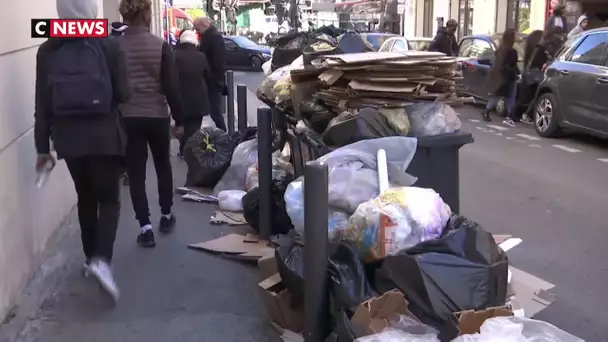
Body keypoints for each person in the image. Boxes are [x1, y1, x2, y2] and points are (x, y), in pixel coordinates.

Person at [35, 0, 131, 302]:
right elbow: (125, 93)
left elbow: (43, 104)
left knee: (85, 198)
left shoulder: (48, 49)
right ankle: (102, 259)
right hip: (104, 135)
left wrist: (42, 148)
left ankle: (92, 258)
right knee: (110, 200)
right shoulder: (110, 45)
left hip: (67, 140)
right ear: (92, 11)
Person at [117, 0, 185, 248]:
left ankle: (145, 228)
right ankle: (166, 215)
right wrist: (179, 120)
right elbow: (172, 87)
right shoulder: (161, 46)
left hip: (129, 117)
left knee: (135, 172)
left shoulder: (116, 46)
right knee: (162, 165)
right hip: (157, 115)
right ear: (146, 14)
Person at [174, 30, 212, 156]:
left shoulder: (174, 55)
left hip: (180, 96)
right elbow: (208, 75)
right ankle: (190, 149)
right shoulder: (200, 56)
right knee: (195, 125)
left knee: (182, 124)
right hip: (198, 97)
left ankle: (183, 148)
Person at [193, 17, 227, 131]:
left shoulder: (213, 37)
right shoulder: (209, 36)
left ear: (204, 25)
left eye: (197, 28)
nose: (196, 31)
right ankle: (223, 134)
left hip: (213, 80)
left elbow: (218, 61)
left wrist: (212, 77)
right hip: (212, 79)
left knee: (215, 110)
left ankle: (224, 135)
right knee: (213, 110)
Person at [481, 28, 520, 127]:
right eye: (514, 35)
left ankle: (487, 111)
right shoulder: (511, 51)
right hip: (509, 76)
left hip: (501, 76)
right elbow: (512, 65)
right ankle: (509, 115)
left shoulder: (500, 49)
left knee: (498, 95)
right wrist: (517, 72)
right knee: (510, 96)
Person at [519, 30, 550, 123]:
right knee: (535, 96)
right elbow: (539, 63)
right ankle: (527, 115)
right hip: (535, 76)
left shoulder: (532, 48)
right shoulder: (540, 49)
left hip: (529, 75)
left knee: (527, 97)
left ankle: (522, 115)